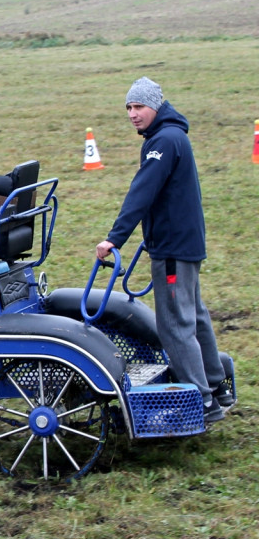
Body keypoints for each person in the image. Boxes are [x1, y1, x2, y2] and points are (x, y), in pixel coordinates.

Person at [95, 76, 232, 424]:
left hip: (172, 248)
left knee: (174, 325)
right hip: (184, 243)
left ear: (155, 106)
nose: (132, 114)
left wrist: (115, 238)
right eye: (128, 107)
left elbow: (143, 191)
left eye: (138, 106)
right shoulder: (172, 135)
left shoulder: (163, 141)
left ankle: (200, 400)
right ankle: (217, 385)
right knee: (194, 316)